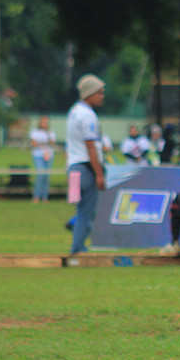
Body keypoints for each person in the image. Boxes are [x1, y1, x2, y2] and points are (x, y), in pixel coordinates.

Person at [66, 74, 107, 255]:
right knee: (87, 211)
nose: (102, 96)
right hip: (86, 168)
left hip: (73, 168)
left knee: (80, 209)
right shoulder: (88, 115)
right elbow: (91, 147)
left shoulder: (74, 111)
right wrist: (99, 174)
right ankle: (78, 248)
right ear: (89, 94)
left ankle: (77, 242)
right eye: (99, 93)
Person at [29, 116, 57, 203]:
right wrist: (43, 145)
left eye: (46, 122)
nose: (44, 124)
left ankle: (45, 197)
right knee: (40, 174)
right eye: (43, 122)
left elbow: (52, 142)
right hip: (38, 155)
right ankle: (36, 196)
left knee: (46, 176)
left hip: (48, 155)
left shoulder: (50, 133)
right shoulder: (35, 132)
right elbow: (34, 143)